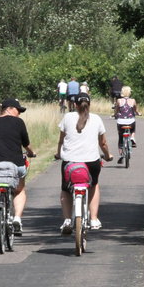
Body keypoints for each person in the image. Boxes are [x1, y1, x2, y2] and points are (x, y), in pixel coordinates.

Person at [54, 93, 113, 233]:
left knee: (66, 189)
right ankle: (93, 218)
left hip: (70, 162)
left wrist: (58, 153)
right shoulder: (97, 119)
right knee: (93, 185)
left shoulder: (67, 117)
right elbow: (103, 143)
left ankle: (67, 219)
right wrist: (107, 155)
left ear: (75, 105)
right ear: (90, 104)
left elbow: (61, 140)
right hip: (91, 162)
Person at [0, 98, 36, 235]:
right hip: (15, 163)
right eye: (19, 110)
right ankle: (17, 218)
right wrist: (31, 153)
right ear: (10, 108)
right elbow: (26, 143)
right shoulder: (19, 122)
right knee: (19, 189)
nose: (19, 114)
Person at [114, 85, 138, 164]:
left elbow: (116, 111)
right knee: (133, 128)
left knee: (120, 137)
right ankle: (133, 137)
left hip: (121, 122)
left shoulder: (119, 101)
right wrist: (138, 113)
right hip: (130, 122)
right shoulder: (133, 100)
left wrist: (115, 115)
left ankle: (121, 154)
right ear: (129, 92)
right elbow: (135, 110)